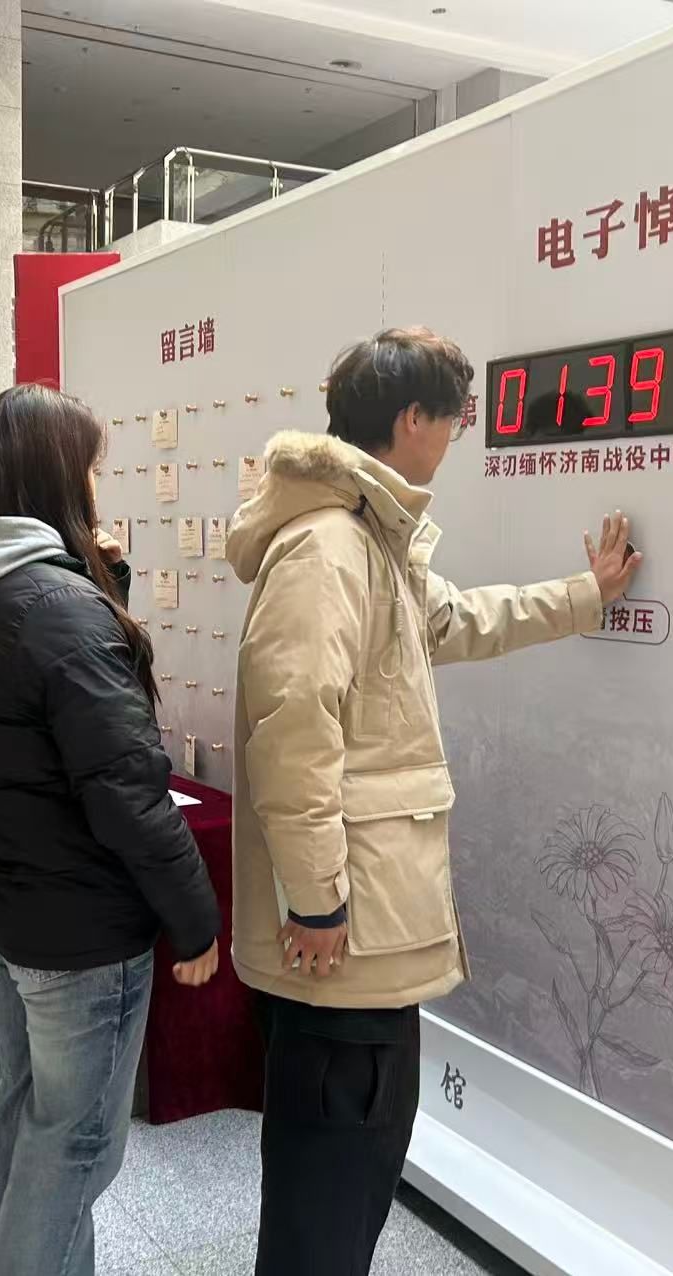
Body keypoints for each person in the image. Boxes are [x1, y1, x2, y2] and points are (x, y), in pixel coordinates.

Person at [227, 328, 643, 1276]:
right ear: (413, 419)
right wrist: (318, 902)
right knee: (329, 1197)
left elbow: (456, 620)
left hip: (367, 937)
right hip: (345, 940)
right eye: (455, 417)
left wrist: (585, 595)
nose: (459, 436)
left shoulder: (368, 536)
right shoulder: (330, 548)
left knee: (347, 1182)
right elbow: (294, 736)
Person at [0, 384, 222, 1276]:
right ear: (60, 475)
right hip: (78, 930)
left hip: (5, 907)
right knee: (76, 1147)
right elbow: (127, 790)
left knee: (25, 1109)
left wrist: (97, 583)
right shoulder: (58, 609)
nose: (97, 486)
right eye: (90, 468)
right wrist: (196, 918)